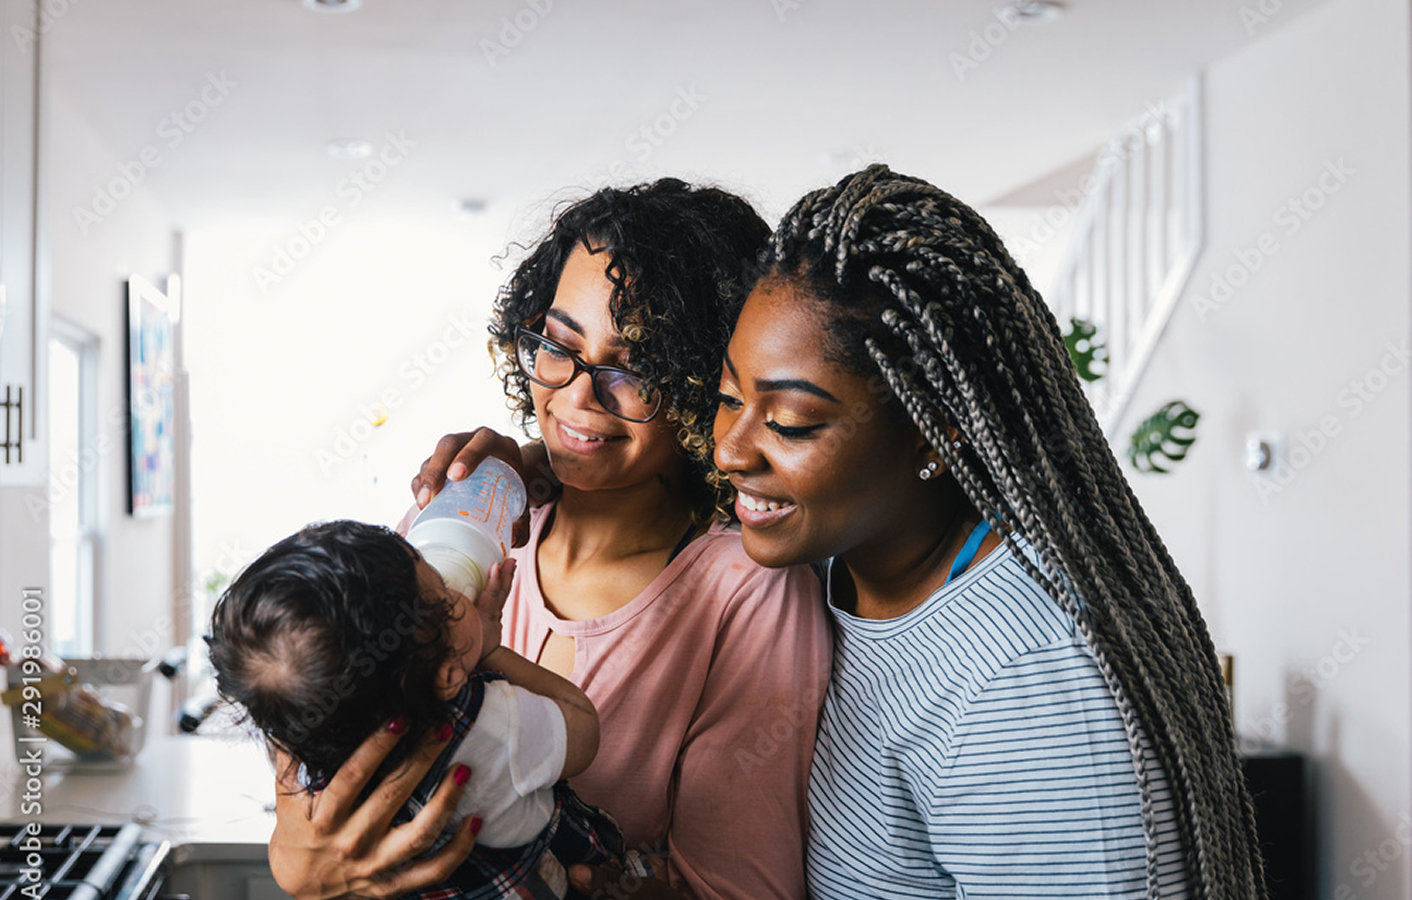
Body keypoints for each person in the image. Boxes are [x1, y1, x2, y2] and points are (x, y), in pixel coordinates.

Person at [699, 164, 1264, 899]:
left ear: (937, 434)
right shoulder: (837, 566)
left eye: (792, 422)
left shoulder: (1018, 688)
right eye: (727, 396)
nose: (731, 450)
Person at [264, 180, 832, 900]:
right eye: (558, 346)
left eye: (636, 370)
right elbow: (314, 721)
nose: (576, 397)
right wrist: (298, 858)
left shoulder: (747, 590)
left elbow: (741, 888)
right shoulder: (468, 518)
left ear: (710, 384)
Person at [208, 520, 646, 899]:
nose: (457, 588)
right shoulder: (496, 723)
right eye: (443, 592)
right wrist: (492, 651)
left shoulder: (312, 764)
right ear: (449, 676)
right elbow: (583, 729)